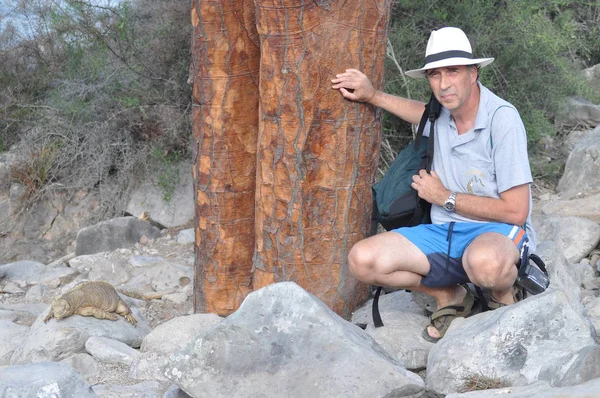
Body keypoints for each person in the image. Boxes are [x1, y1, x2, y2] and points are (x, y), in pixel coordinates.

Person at [331, 27, 537, 342]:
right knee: (362, 259)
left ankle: (504, 294)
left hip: (495, 233)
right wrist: (372, 95)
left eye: (453, 71)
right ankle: (450, 296)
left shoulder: (502, 120)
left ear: (473, 72)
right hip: (444, 233)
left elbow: (516, 212)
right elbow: (421, 113)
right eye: (434, 74)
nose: (443, 84)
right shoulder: (440, 116)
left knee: (486, 266)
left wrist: (445, 197)